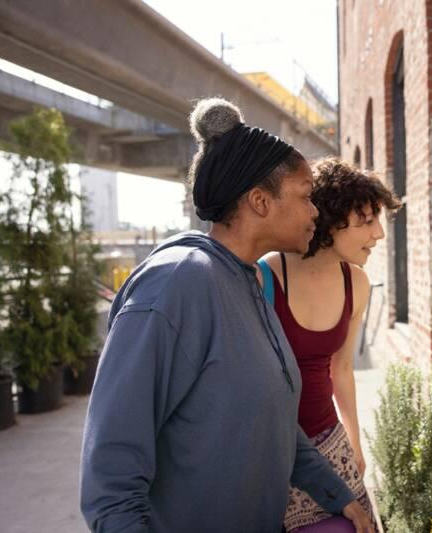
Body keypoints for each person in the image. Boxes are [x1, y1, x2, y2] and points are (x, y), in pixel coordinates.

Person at [79, 98, 374, 533]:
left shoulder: (248, 280)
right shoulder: (177, 284)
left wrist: (336, 493)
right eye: (306, 197)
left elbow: (273, 421)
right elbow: (111, 474)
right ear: (259, 201)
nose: (316, 212)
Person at [256, 158, 400, 532]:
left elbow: (342, 368)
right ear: (330, 219)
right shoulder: (264, 276)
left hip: (329, 442)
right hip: (270, 451)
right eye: (367, 221)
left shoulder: (358, 284)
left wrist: (354, 441)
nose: (379, 234)